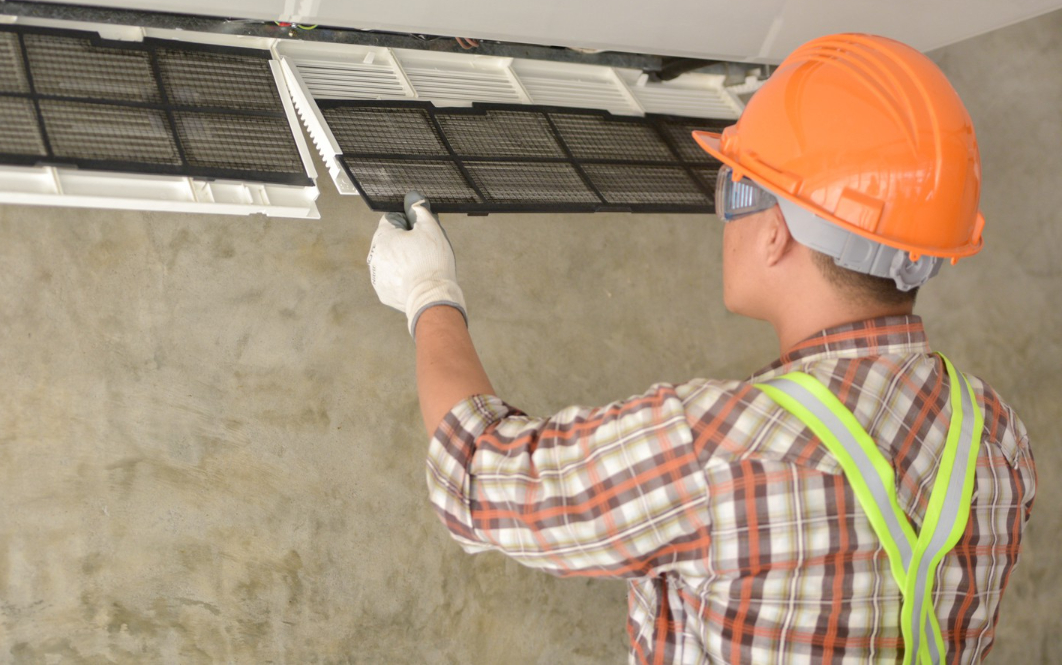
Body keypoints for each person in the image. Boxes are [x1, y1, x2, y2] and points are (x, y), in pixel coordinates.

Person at [367, 33, 1035, 663]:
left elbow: (479, 479)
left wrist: (429, 293)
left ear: (776, 233)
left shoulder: (721, 445)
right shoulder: (997, 439)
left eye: (735, 187)